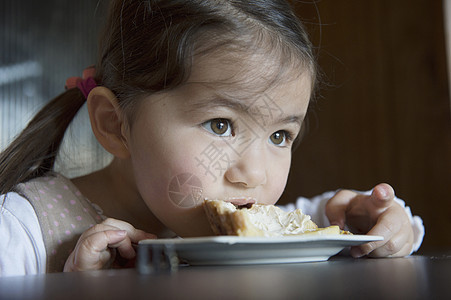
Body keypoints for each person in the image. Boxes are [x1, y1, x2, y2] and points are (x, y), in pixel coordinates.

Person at [0, 0, 424, 276]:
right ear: (115, 125)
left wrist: (364, 219)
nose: (252, 174)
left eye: (280, 135)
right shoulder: (22, 232)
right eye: (220, 125)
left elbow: (324, 221)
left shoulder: (239, 224)